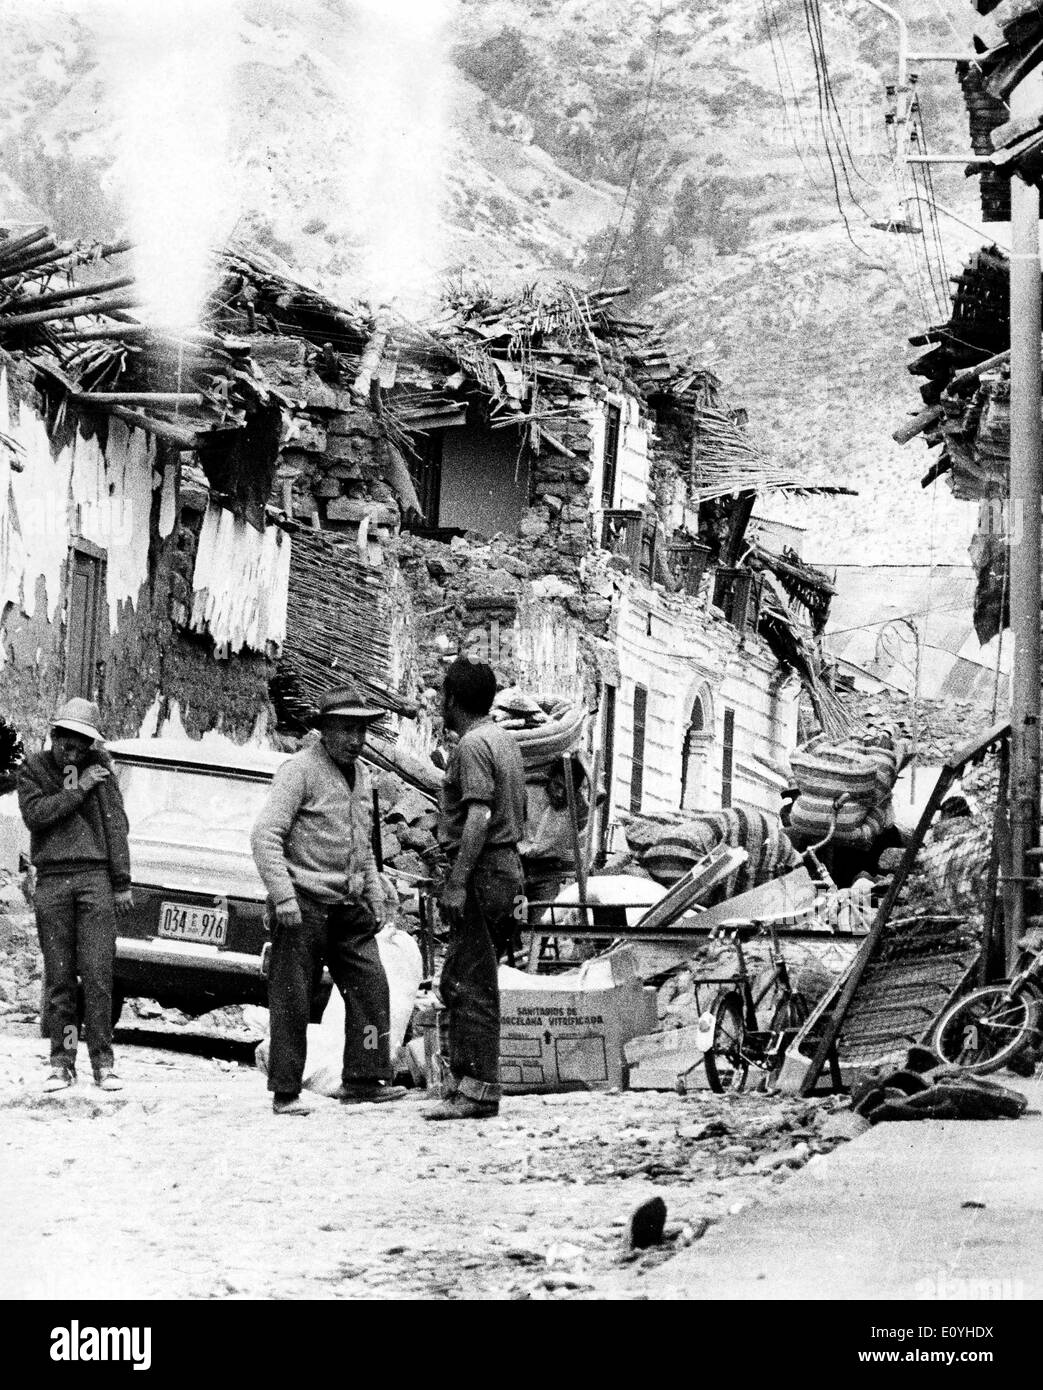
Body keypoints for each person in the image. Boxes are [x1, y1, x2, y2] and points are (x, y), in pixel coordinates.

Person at [251, 683, 404, 1115]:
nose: (356, 741)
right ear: (324, 731)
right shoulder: (298, 771)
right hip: (303, 906)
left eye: (361, 731)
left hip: (348, 908)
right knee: (292, 999)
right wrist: (282, 897)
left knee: (372, 992)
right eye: (346, 730)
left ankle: (364, 1078)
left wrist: (373, 891)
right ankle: (285, 1090)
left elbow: (365, 845)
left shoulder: (363, 776)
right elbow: (265, 836)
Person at [426, 657, 526, 1122]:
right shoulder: (503, 741)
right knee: (462, 977)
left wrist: (457, 883)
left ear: (452, 699)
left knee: (471, 983)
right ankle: (469, 1082)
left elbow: (479, 817)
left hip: (484, 872)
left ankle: (480, 1091)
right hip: (504, 871)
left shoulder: (471, 746)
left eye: (442, 695)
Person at [17, 698, 133, 1092]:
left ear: (91, 744)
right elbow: (39, 815)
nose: (73, 747)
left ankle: (103, 1063)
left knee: (98, 976)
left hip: (94, 881)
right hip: (52, 881)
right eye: (67, 737)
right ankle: (62, 1062)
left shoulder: (101, 771)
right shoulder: (34, 769)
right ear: (53, 735)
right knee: (61, 979)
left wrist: (121, 882)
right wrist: (79, 788)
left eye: (82, 741)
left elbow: (116, 826)